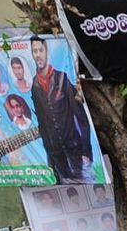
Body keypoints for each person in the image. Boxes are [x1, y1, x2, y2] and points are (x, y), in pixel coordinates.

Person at [28, 36, 92, 183]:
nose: (38, 54)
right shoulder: (34, 86)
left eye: (40, 50)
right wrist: (50, 156)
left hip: (74, 148)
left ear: (46, 51)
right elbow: (43, 125)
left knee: (86, 183)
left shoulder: (62, 78)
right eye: (34, 51)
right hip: (57, 155)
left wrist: (86, 152)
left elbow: (81, 117)